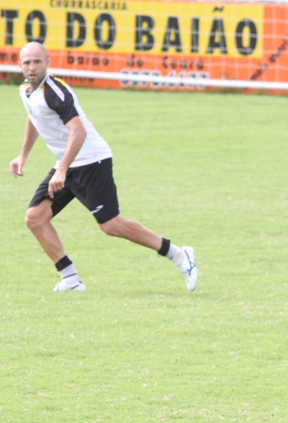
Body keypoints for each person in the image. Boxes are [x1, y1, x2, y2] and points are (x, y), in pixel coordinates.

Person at [9, 42, 198, 292]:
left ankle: (178, 254)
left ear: (48, 62)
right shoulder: (26, 90)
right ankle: (71, 279)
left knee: (110, 225)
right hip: (68, 163)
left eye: (37, 62)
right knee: (35, 218)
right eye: (27, 62)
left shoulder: (55, 91)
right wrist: (23, 155)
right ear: (19, 65)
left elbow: (79, 132)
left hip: (91, 161)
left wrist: (63, 169)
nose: (32, 67)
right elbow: (35, 117)